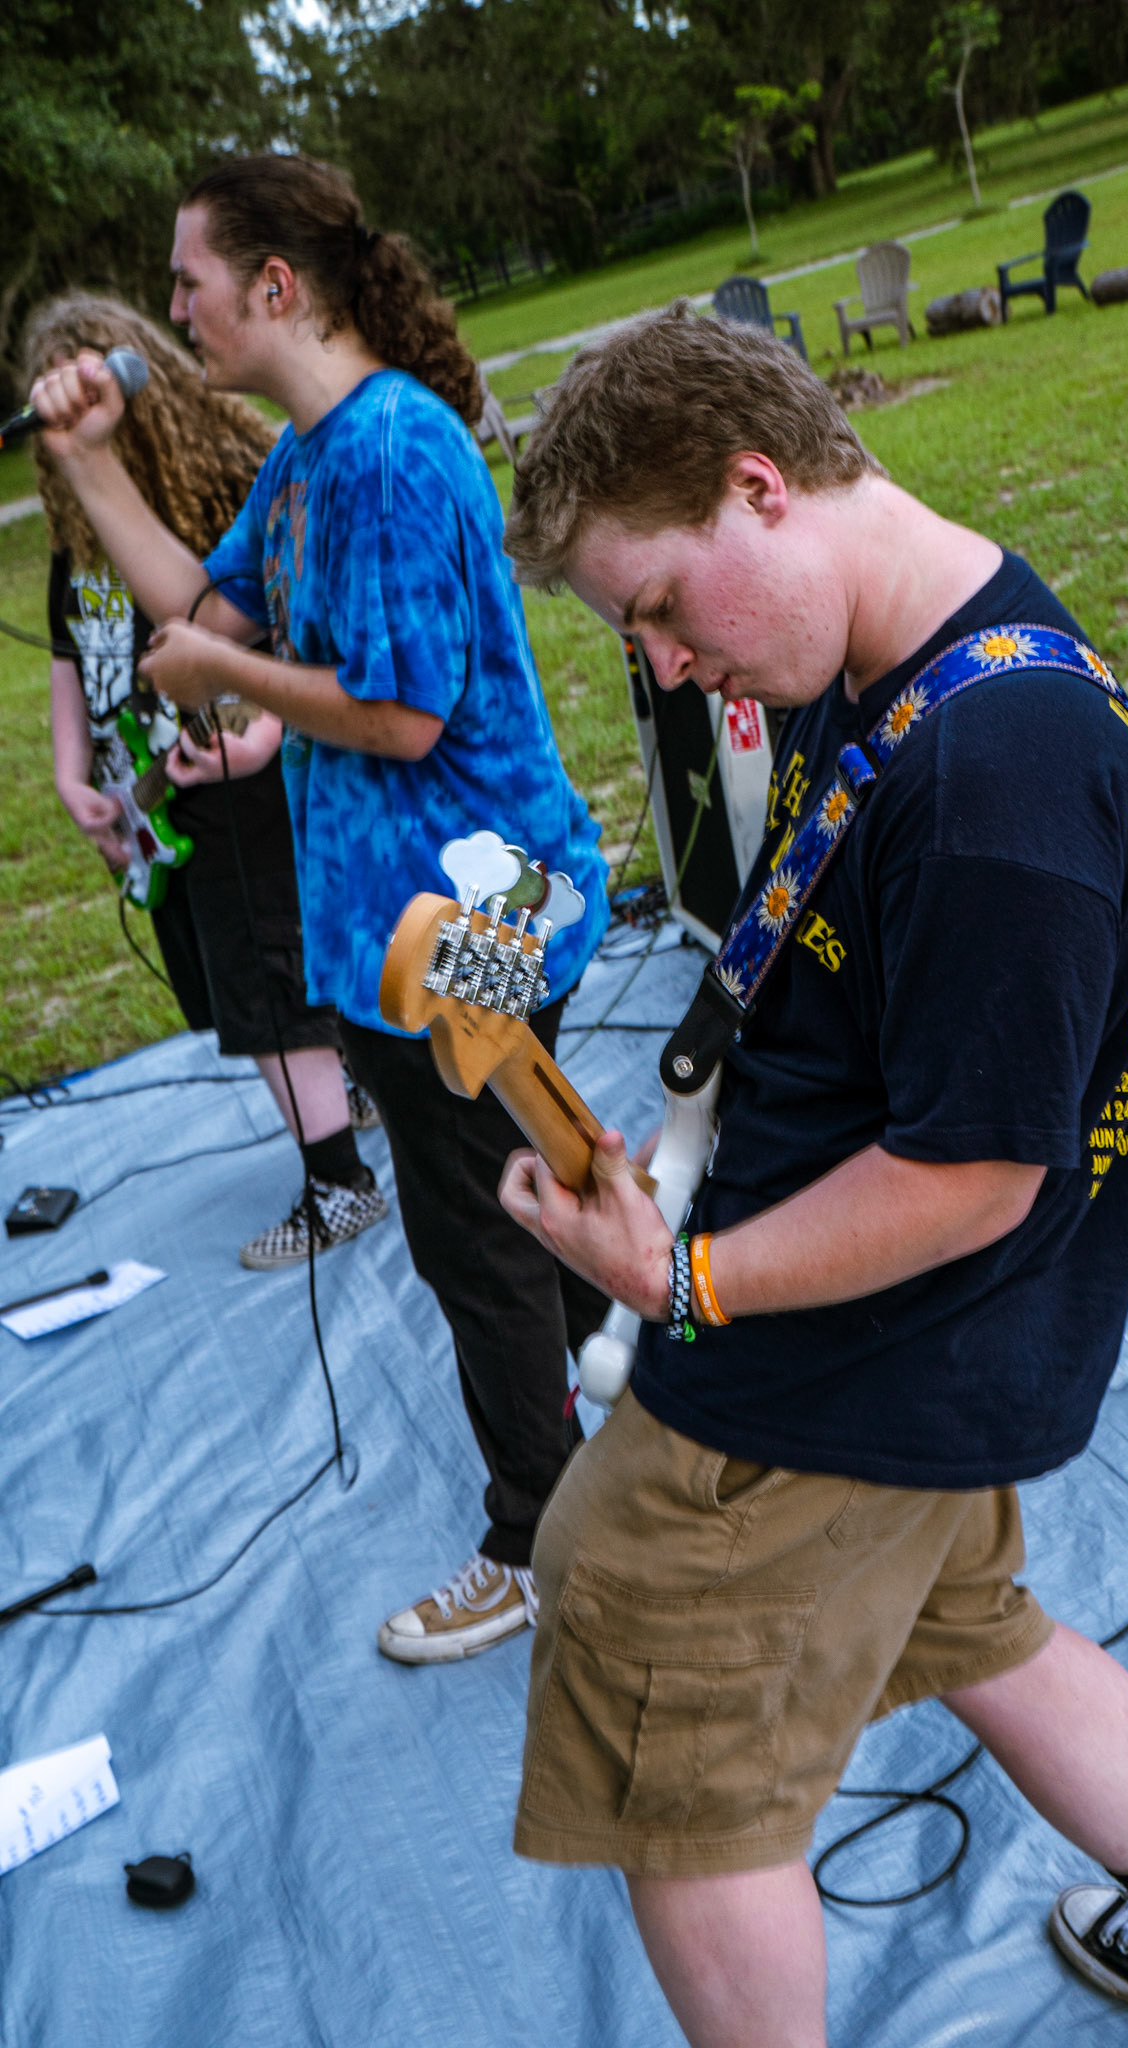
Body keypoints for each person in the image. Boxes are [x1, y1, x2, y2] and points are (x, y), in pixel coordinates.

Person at [495, 306, 1128, 2048]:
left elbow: (968, 1179)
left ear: (758, 487)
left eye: (653, 604)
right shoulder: (906, 651)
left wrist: (679, 1279)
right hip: (911, 1354)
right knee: (978, 1626)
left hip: (840, 1367)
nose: (659, 664)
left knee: (654, 1683)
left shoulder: (995, 773)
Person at [29, 158, 610, 1666]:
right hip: (398, 932)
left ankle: (539, 1542)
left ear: (274, 286)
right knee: (522, 1161)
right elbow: (196, 607)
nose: (171, 311)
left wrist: (225, 679)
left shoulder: (393, 452)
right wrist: (91, 463)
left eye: (188, 281)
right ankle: (631, 1370)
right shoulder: (303, 458)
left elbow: (403, 715)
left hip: (479, 915)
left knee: (476, 1224)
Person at [28, 291, 384, 1272]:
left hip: (244, 783)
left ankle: (337, 1181)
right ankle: (350, 1088)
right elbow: (68, 653)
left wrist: (264, 729)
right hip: (159, 802)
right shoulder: (79, 533)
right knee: (227, 978)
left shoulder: (225, 490)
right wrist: (70, 772)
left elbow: (300, 622)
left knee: (265, 976)